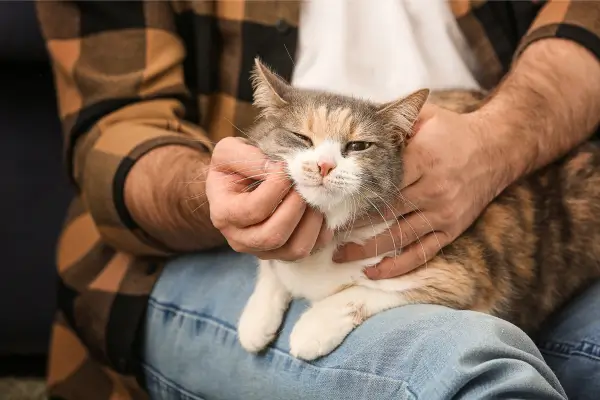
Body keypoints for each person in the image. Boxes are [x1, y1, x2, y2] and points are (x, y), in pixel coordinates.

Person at [36, 0, 600, 399]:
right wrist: (210, 194)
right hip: (194, 251)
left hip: (509, 196)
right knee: (465, 370)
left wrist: (495, 145)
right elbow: (113, 134)